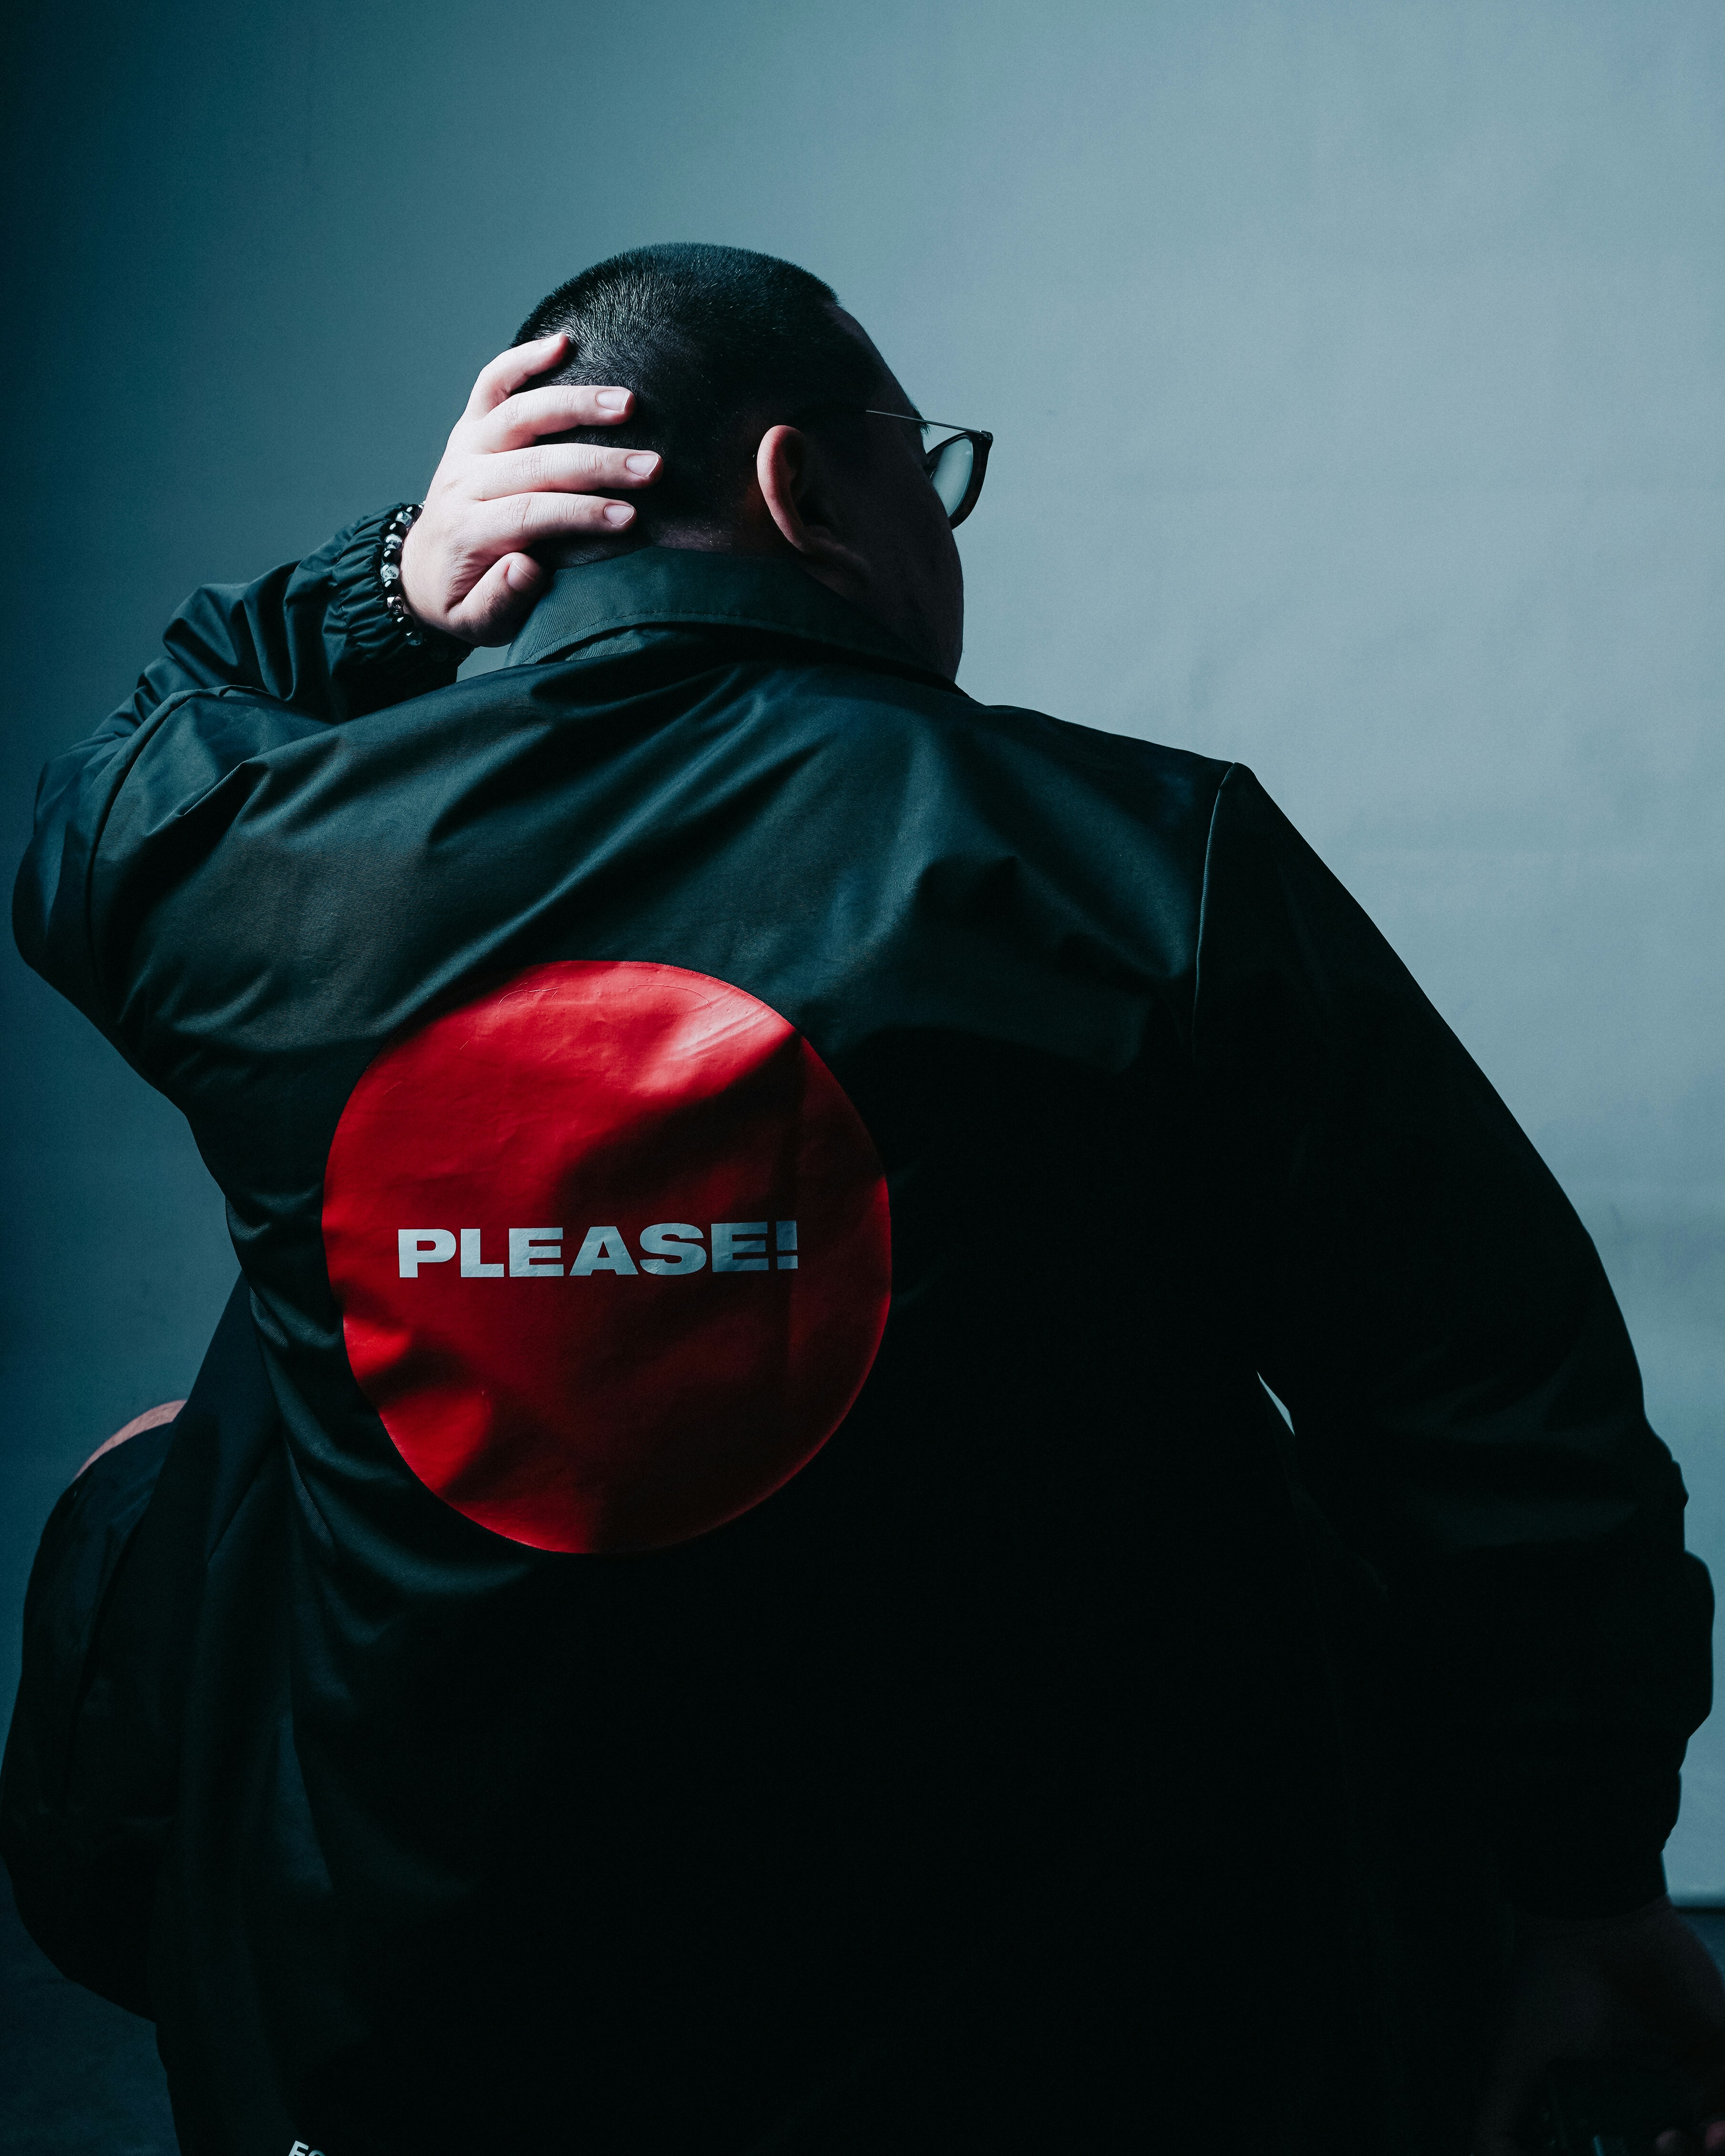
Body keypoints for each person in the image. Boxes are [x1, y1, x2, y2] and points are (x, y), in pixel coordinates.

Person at [3, 241, 1722, 2156]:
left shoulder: (271, 862)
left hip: (413, 2042)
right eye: (935, 469)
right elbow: (1499, 1418)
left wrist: (393, 577)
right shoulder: (1142, 866)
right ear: (805, 489)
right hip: (1066, 2038)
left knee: (191, 1444)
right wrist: (1590, 1877)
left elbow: (101, 801)